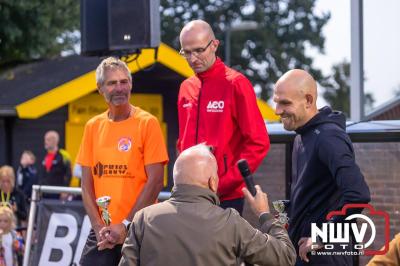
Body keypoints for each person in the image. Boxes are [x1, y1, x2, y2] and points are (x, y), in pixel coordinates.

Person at [118, 144, 296, 266]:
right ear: (212, 182)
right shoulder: (230, 222)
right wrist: (264, 214)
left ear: (176, 181)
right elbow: (285, 256)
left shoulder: (143, 218)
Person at [76, 57, 169, 266]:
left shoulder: (147, 123)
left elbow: (155, 181)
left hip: (139, 229)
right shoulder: (93, 126)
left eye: (124, 81)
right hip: (104, 232)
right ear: (100, 88)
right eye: (112, 83)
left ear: (131, 84)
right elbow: (86, 185)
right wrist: (98, 226)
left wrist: (125, 224)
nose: (119, 88)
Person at [273, 69, 371, 265]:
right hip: (306, 251)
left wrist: (321, 237)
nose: (277, 110)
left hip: (326, 255)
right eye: (276, 101)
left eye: (285, 103)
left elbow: (358, 194)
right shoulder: (302, 135)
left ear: (308, 100)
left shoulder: (328, 137)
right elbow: (315, 194)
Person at [177, 20, 270, 214]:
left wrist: (222, 183)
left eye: (199, 50)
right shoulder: (186, 88)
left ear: (214, 45)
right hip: (188, 195)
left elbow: (258, 142)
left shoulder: (236, 84)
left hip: (225, 197)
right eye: (186, 52)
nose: (193, 58)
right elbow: (182, 141)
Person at [39, 130, 72, 200]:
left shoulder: (64, 155)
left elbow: (68, 174)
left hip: (58, 192)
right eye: (45, 139)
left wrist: (65, 190)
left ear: (55, 141)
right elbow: (43, 175)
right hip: (45, 192)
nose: (45, 142)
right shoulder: (45, 156)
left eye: (48, 140)